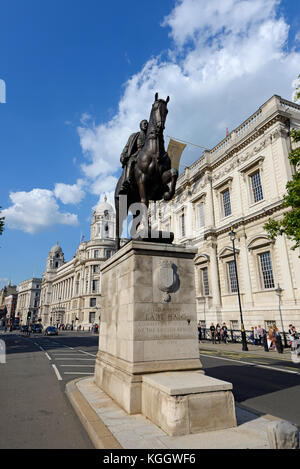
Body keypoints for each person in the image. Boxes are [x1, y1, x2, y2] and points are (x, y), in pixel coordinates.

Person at [119, 119, 148, 194]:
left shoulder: (149, 136)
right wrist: (123, 155)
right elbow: (127, 147)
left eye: (147, 124)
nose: (146, 125)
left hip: (147, 155)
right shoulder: (134, 136)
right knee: (131, 161)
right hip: (137, 154)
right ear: (140, 126)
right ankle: (127, 181)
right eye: (144, 124)